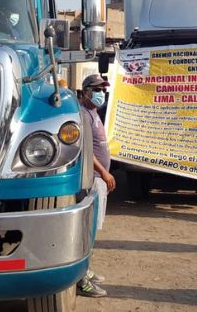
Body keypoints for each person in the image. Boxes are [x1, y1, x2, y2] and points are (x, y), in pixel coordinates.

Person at [76, 74, 116, 298]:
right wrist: (103, 172)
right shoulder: (83, 114)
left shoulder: (94, 113)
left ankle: (85, 269)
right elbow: (86, 150)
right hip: (92, 179)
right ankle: (81, 278)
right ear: (86, 91)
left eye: (103, 88)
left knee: (92, 229)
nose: (101, 92)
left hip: (98, 180)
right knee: (87, 229)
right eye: (97, 88)